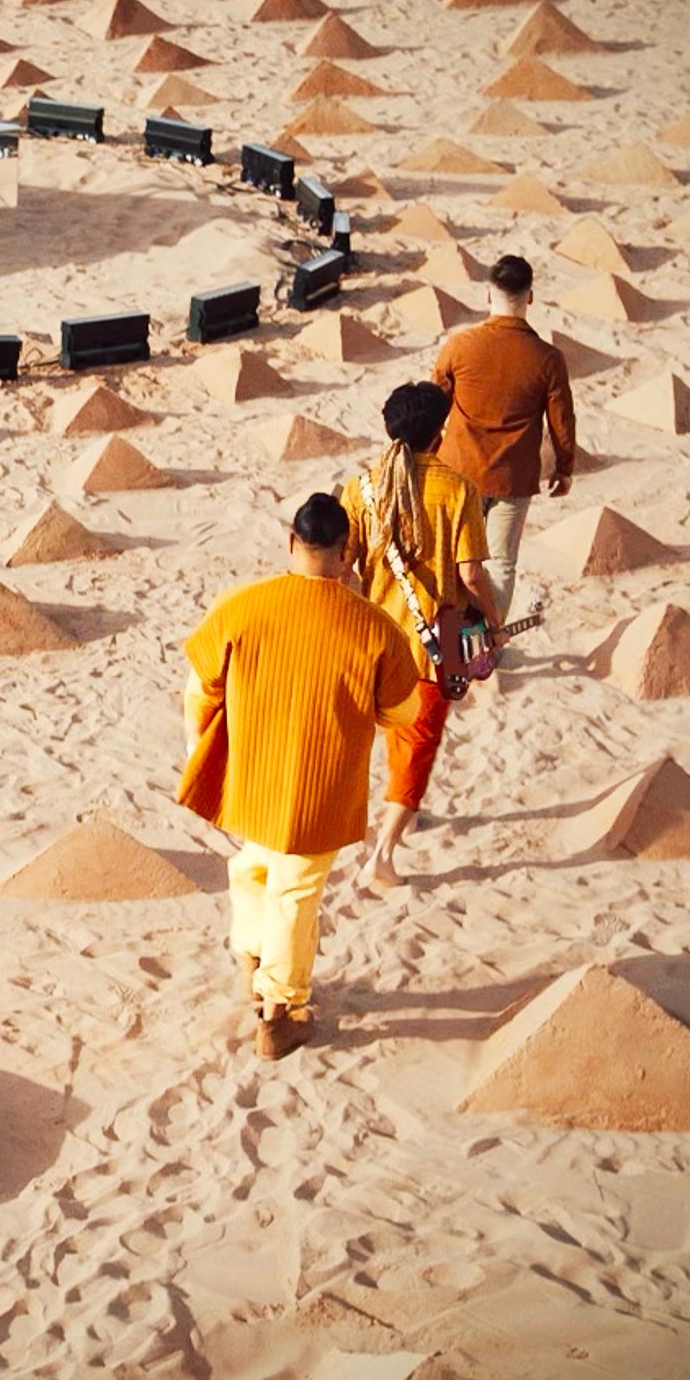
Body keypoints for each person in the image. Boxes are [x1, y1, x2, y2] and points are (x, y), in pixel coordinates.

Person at [180, 493, 427, 1060]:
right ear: (346, 555)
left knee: (256, 863)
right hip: (322, 781)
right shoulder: (374, 628)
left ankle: (251, 954)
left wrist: (201, 746)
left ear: (292, 542)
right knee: (296, 890)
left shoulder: (244, 606)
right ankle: (281, 1009)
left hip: (252, 774)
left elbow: (201, 685)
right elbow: (403, 712)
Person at [340, 382, 496, 893]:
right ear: (440, 432)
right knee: (417, 748)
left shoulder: (361, 488)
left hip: (372, 641)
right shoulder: (457, 490)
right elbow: (471, 575)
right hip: (428, 647)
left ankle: (388, 822)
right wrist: (492, 621)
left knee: (386, 736)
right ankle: (383, 855)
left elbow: (345, 568)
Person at [430, 254, 574, 620]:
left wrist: (429, 453)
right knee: (501, 565)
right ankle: (490, 640)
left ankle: (449, 639)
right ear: (530, 298)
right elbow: (562, 421)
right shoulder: (548, 358)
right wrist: (564, 467)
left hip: (459, 473)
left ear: (488, 295)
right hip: (513, 479)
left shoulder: (459, 347)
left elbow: (433, 406)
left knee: (452, 559)